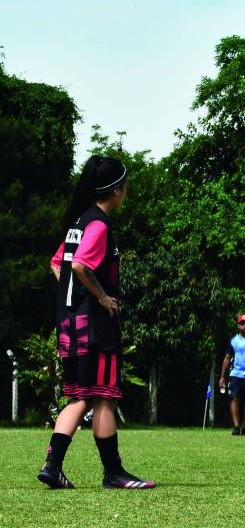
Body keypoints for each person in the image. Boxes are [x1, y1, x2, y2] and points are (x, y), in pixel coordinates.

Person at [37, 155, 155, 490]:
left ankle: (52, 466)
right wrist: (101, 298)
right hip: (95, 328)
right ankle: (113, 473)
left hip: (70, 326)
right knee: (104, 396)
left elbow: (57, 262)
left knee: (79, 398)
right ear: (117, 191)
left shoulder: (78, 223)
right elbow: (79, 267)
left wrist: (69, 300)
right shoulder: (99, 225)